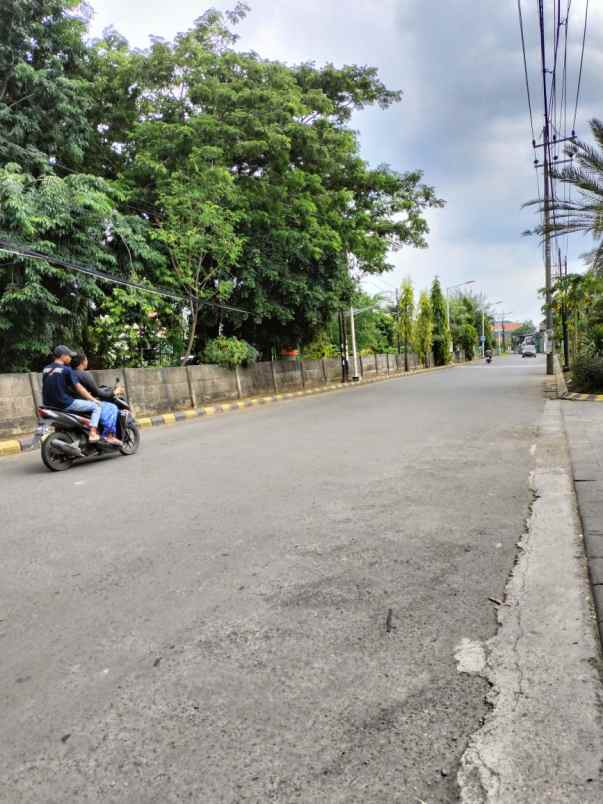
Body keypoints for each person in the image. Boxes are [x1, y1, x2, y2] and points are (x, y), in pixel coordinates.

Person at [42, 346, 103, 443]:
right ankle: (93, 433)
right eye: (69, 356)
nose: (70, 358)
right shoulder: (66, 369)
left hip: (48, 405)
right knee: (96, 407)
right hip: (64, 403)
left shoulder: (46, 369)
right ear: (63, 356)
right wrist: (93, 399)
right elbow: (79, 388)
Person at [71, 354, 122, 446]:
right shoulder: (83, 374)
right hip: (81, 403)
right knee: (112, 407)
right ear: (83, 362)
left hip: (69, 404)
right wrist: (114, 393)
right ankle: (110, 436)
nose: (87, 362)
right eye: (86, 360)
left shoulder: (68, 373)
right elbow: (96, 392)